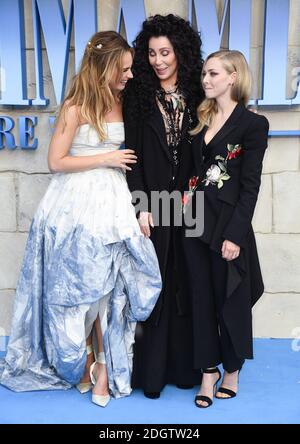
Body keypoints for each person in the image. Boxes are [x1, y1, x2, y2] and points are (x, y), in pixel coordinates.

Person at [0, 31, 161, 407]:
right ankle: (86, 359)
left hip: (113, 202)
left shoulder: (125, 102)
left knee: (110, 286)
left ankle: (104, 365)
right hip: (74, 205)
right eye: (124, 68)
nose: (131, 75)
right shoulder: (75, 105)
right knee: (80, 290)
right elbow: (56, 161)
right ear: (105, 67)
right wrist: (105, 158)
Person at [181, 50, 269, 408]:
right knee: (200, 298)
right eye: (204, 73)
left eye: (214, 73)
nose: (206, 79)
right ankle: (208, 372)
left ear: (233, 77)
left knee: (229, 298)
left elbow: (250, 186)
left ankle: (231, 368)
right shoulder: (199, 119)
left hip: (227, 225)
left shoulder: (253, 124)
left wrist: (235, 234)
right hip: (194, 221)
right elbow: (191, 172)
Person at [123, 14, 204, 398]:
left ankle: (185, 370)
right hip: (153, 205)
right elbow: (131, 157)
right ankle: (150, 375)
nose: (158, 60)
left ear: (181, 53)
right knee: (153, 286)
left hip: (189, 205)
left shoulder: (198, 94)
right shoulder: (137, 95)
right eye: (152, 53)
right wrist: (140, 206)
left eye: (166, 52)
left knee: (186, 286)